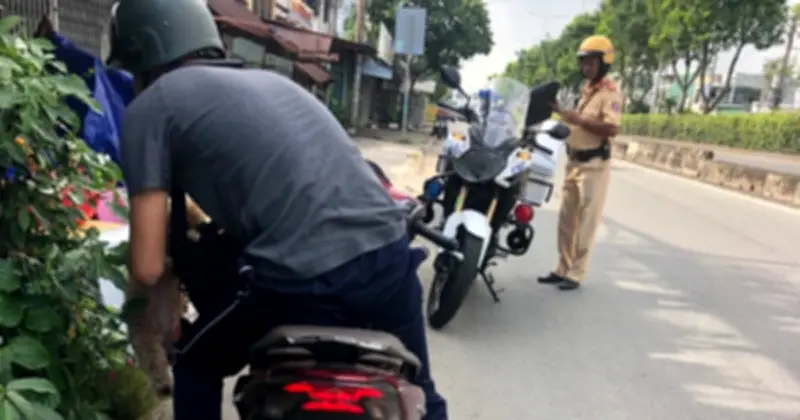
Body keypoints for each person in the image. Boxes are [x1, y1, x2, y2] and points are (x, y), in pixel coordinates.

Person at [106, 0, 448, 419]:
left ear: (138, 56)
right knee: (421, 390)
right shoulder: (275, 83)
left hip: (299, 281)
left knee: (196, 365)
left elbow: (146, 267)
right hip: (389, 263)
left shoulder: (150, 107)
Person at [538, 35, 623, 291]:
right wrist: (561, 112)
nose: (585, 68)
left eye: (591, 63)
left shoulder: (610, 93)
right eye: (583, 62)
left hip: (593, 165)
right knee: (567, 221)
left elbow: (611, 128)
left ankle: (576, 273)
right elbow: (577, 120)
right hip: (573, 163)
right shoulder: (587, 90)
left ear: (604, 63)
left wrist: (580, 120)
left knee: (586, 223)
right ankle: (562, 267)